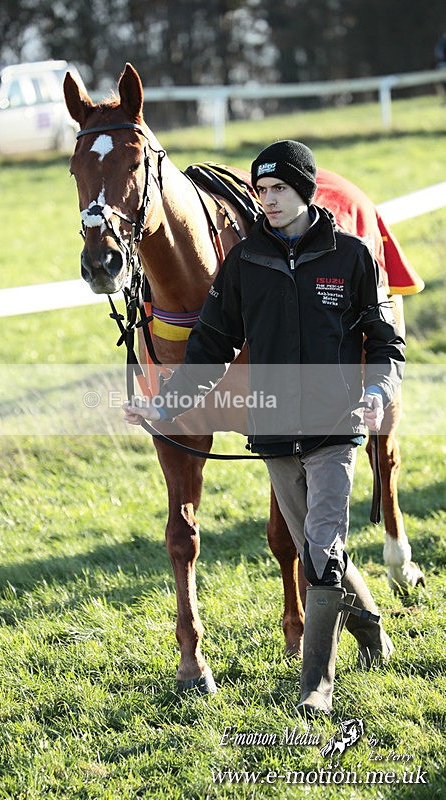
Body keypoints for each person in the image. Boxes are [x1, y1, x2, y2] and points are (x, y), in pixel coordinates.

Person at [124, 140, 404, 716]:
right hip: (275, 436)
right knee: (312, 546)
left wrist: (378, 390)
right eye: (261, 190)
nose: (267, 200)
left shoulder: (351, 257)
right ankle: (370, 624)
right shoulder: (244, 263)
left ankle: (316, 687)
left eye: (278, 189)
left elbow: (385, 342)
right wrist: (164, 406)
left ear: (303, 190)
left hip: (334, 428)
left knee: (320, 551)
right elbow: (209, 347)